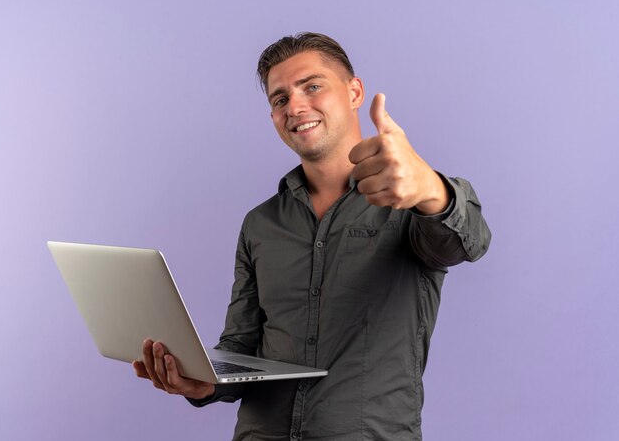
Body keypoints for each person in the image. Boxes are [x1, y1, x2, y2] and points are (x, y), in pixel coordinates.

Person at [133, 32, 491, 440]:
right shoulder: (261, 223)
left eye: (312, 86)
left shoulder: (411, 202)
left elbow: (469, 241)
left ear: (354, 92)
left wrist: (429, 188)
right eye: (280, 99)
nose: (295, 106)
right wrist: (205, 384)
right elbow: (241, 344)